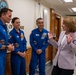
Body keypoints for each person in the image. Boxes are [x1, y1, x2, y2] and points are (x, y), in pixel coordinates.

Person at [0, 7, 14, 75]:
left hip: (3, 54)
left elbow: (5, 40)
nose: (11, 18)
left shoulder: (5, 26)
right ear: (3, 15)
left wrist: (9, 44)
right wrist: (7, 47)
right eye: (9, 16)